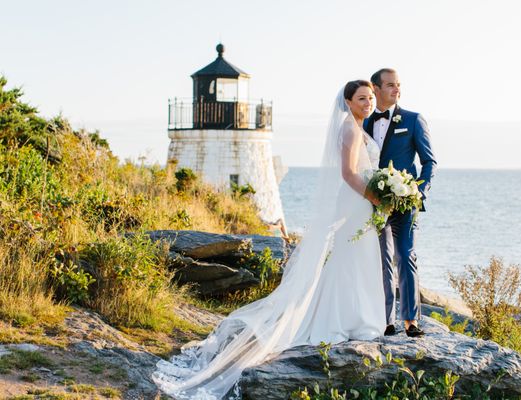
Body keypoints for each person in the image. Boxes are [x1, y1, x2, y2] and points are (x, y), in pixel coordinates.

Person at [153, 80, 386, 400]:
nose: (369, 102)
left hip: (359, 205)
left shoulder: (356, 127)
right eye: (362, 98)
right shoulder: (349, 129)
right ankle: (350, 319)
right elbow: (348, 173)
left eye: (371, 97)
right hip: (357, 200)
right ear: (347, 102)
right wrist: (375, 196)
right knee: (352, 259)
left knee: (357, 258)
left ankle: (358, 317)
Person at [364, 68, 437, 337]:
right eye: (391, 85)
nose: (397, 90)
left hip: (406, 202)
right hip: (375, 202)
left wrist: (419, 192)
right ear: (375, 88)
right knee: (382, 259)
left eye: (399, 85)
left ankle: (411, 321)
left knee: (405, 254)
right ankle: (385, 320)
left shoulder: (414, 120)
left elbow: (429, 162)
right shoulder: (365, 123)